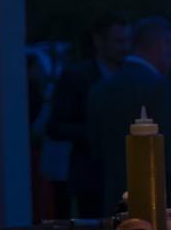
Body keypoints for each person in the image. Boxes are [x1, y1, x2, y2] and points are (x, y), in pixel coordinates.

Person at [88, 16, 171, 210]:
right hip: (154, 206)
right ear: (161, 46)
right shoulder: (159, 88)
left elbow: (95, 151)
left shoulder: (101, 89)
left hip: (112, 204)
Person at [46, 13, 132, 216]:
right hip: (92, 178)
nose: (125, 47)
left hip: (127, 177)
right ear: (99, 41)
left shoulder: (132, 77)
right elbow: (55, 127)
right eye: (118, 41)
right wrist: (98, 133)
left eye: (127, 41)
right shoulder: (76, 77)